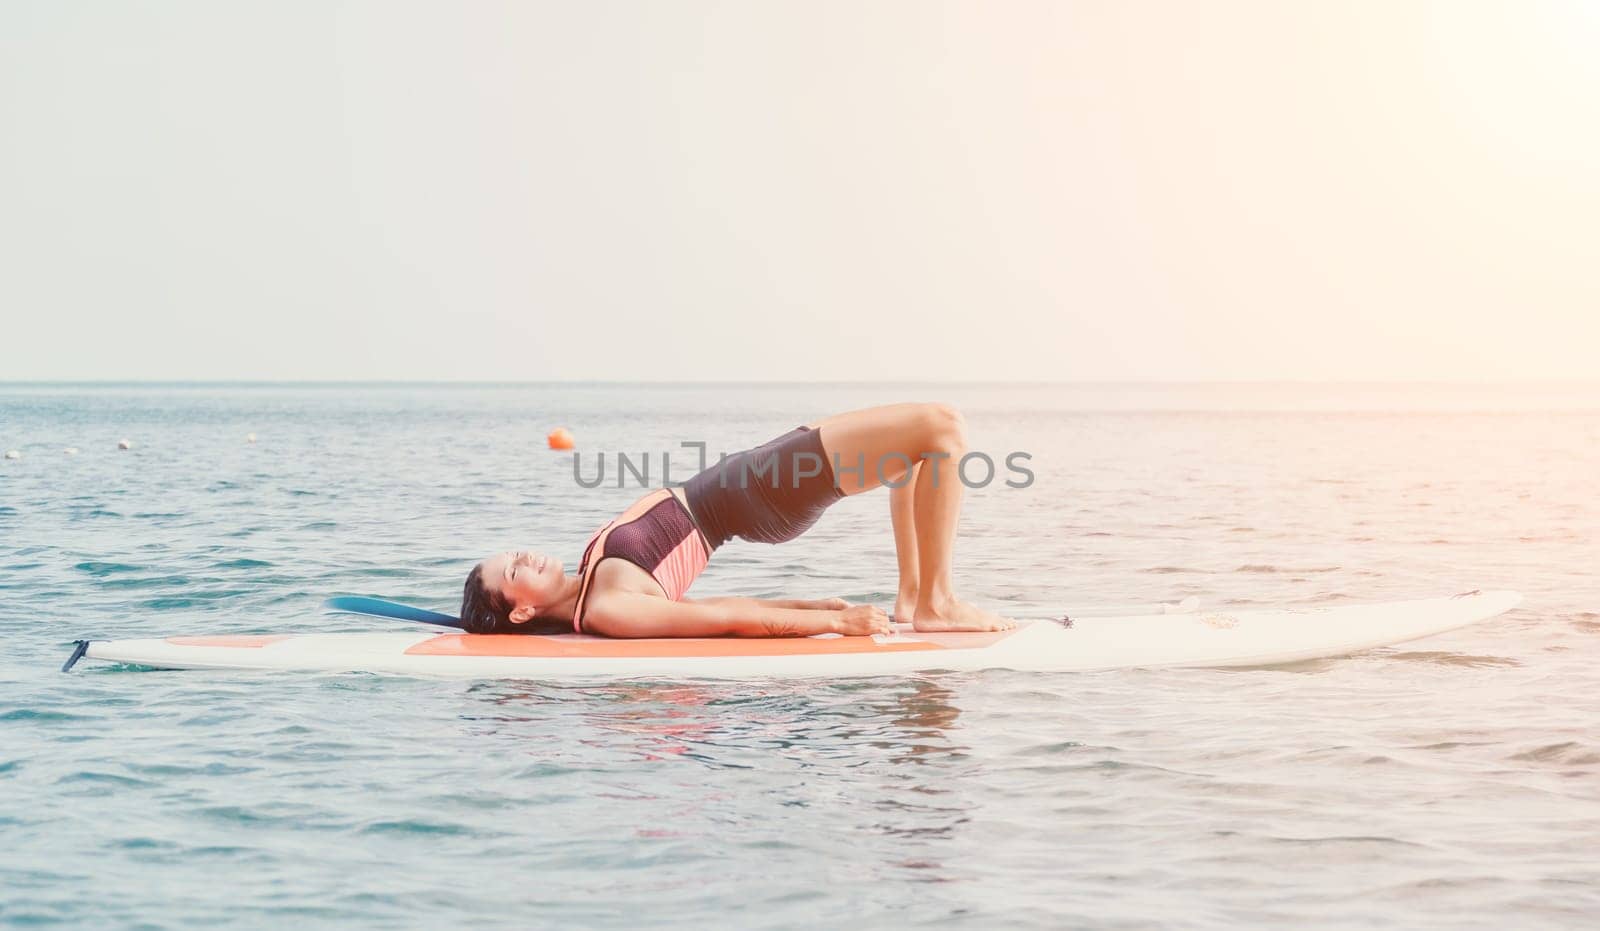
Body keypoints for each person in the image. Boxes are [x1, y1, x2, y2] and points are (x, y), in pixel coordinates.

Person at [460, 402, 1015, 638]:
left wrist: (814, 606)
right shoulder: (608, 609)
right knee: (942, 428)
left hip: (758, 474)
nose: (524, 556)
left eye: (512, 554)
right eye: (513, 572)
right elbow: (723, 619)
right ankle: (937, 603)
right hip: (765, 490)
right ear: (522, 611)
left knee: (911, 454)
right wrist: (834, 626)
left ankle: (913, 597)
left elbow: (699, 608)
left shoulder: (591, 584)